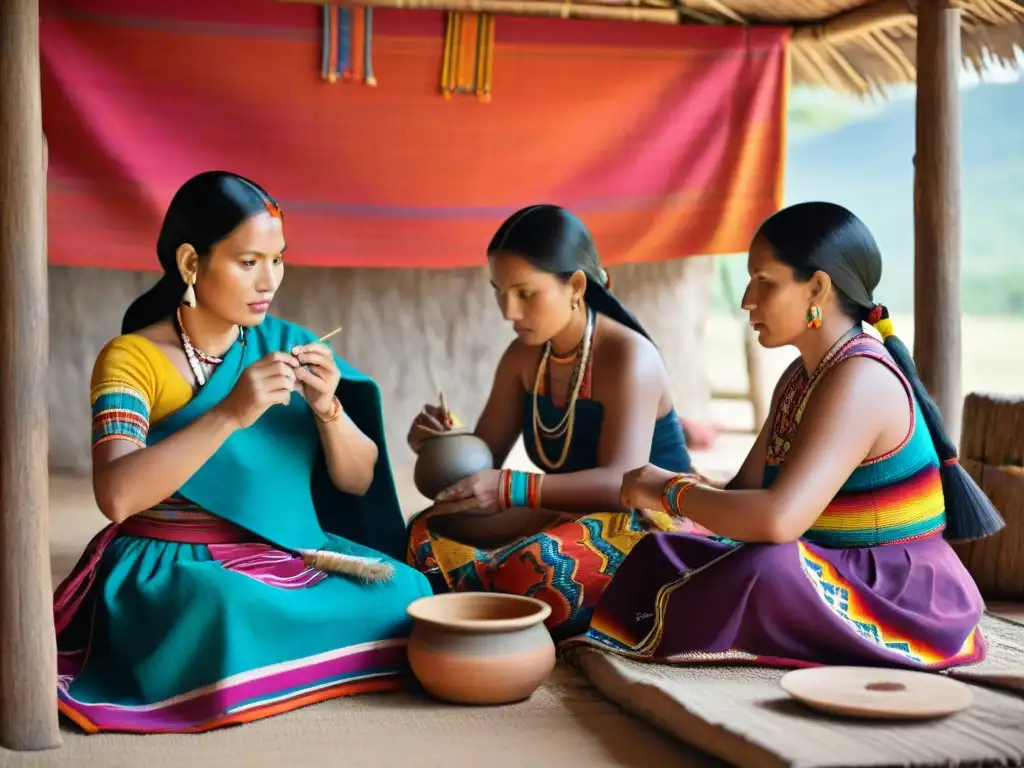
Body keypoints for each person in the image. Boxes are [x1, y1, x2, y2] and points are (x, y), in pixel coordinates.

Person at [53, 171, 431, 734]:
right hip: (176, 560)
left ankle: (276, 662)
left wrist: (329, 407)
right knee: (227, 609)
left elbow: (356, 482)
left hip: (287, 552)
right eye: (249, 261)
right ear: (189, 264)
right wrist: (230, 412)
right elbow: (116, 496)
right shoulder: (131, 359)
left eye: (278, 259)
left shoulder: (285, 342)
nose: (269, 280)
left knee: (408, 591)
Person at [563, 202, 1000, 670]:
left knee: (762, 569)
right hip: (823, 561)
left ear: (817, 287)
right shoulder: (802, 374)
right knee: (661, 547)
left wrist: (669, 491)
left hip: (895, 593)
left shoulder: (861, 378)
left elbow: (776, 521)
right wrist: (671, 503)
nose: (747, 298)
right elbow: (744, 495)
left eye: (764, 281)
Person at [405, 204, 692, 639]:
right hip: (562, 514)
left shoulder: (627, 357)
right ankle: (503, 599)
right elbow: (482, 467)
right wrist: (445, 444)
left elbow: (622, 485)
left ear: (576, 285)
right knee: (425, 531)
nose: (508, 310)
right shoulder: (523, 357)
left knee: (537, 569)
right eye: (499, 292)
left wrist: (510, 487)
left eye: (525, 293)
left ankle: (494, 595)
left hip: (650, 519)